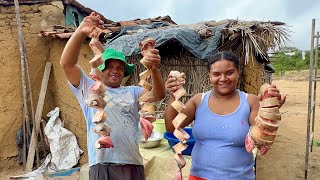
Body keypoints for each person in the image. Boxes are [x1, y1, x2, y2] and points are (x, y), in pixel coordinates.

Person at [60, 12, 166, 180]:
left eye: (120, 67)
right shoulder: (89, 88)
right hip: (103, 165)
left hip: (133, 163)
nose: (115, 70)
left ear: (124, 71)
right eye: (109, 66)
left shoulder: (132, 92)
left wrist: (154, 69)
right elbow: (67, 64)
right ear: (100, 68)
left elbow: (158, 95)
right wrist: (80, 32)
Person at [164, 51, 286, 180]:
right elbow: (172, 128)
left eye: (229, 73)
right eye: (216, 74)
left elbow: (259, 139)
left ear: (238, 72)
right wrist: (173, 96)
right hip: (199, 176)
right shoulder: (198, 100)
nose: (223, 79)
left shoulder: (250, 101)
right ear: (209, 76)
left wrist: (270, 113)